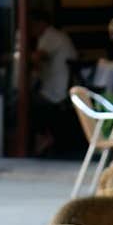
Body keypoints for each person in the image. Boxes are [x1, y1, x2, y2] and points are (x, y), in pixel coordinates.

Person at [30, 11, 77, 156]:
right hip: (58, 84)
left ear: (42, 24)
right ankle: (45, 137)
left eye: (33, 24)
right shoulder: (50, 36)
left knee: (28, 101)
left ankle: (44, 137)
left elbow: (38, 56)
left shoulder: (51, 36)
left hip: (58, 87)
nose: (31, 28)